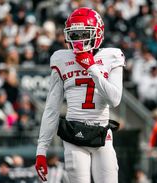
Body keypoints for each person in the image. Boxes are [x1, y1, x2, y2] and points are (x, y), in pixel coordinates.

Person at [35, 7, 125, 183]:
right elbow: (52, 108)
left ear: (97, 34)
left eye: (84, 34)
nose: (78, 40)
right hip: (74, 135)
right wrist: (41, 150)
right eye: (74, 35)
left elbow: (114, 100)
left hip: (102, 133)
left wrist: (91, 68)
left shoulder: (111, 56)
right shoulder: (61, 58)